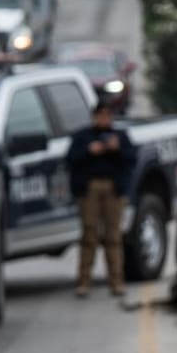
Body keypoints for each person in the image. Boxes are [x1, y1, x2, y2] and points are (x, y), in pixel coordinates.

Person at [66, 101, 137, 298]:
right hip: (90, 189)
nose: (104, 119)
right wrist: (90, 150)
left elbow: (131, 160)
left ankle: (116, 281)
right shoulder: (83, 137)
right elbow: (71, 160)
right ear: (94, 116)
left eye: (108, 115)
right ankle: (83, 281)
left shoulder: (120, 137)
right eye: (100, 115)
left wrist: (117, 149)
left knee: (113, 236)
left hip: (113, 189)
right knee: (89, 234)